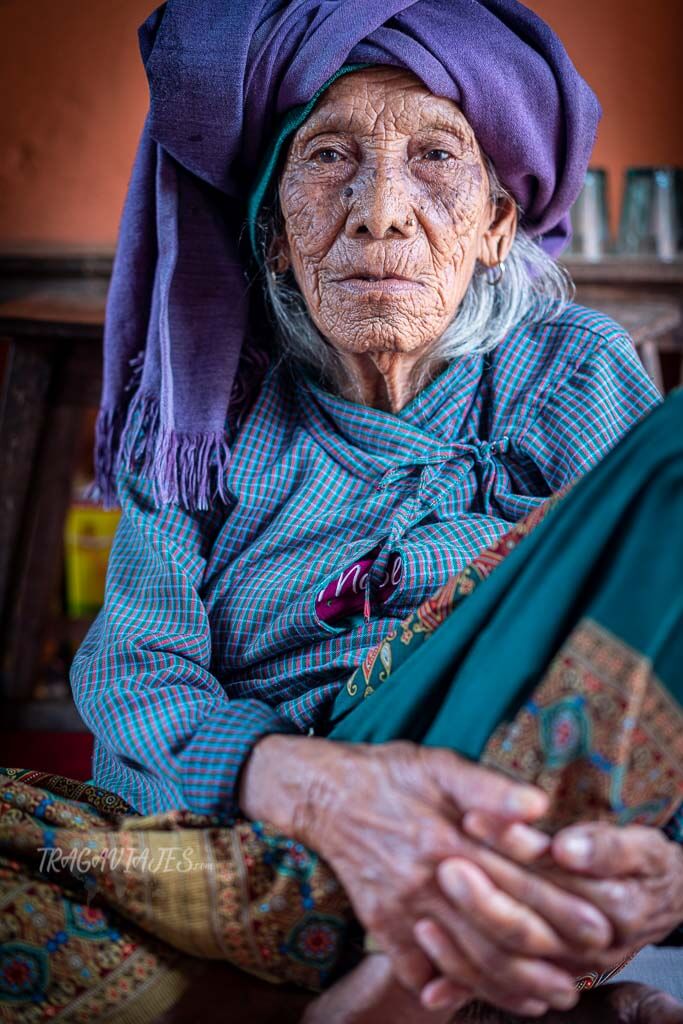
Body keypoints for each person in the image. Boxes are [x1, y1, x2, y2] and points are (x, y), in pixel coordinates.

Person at [2, 3, 681, 1023]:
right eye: (328, 156)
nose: (378, 210)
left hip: (510, 820)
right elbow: (137, 675)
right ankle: (438, 989)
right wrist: (324, 791)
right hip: (252, 847)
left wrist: (663, 878)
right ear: (273, 233)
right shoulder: (205, 406)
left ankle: (397, 980)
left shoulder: (564, 372)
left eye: (435, 156)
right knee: (43, 841)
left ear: (498, 224)